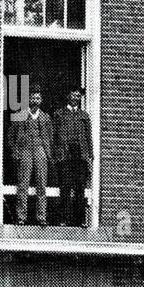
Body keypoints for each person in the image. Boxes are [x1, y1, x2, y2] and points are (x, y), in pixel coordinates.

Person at [10, 86, 54, 226]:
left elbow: (50, 137)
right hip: (25, 150)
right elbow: (10, 136)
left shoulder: (46, 117)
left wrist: (48, 153)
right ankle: (21, 217)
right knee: (23, 184)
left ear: (41, 100)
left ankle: (42, 217)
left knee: (42, 184)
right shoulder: (20, 114)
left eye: (38, 98)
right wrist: (15, 150)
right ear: (28, 99)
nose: (35, 100)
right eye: (33, 97)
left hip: (40, 150)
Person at [53, 86, 93, 227]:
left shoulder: (84, 116)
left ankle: (79, 220)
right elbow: (54, 137)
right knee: (65, 187)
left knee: (79, 188)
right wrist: (56, 155)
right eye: (73, 95)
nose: (76, 98)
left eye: (78, 96)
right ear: (68, 96)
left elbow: (88, 137)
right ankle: (63, 219)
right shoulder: (59, 114)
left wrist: (89, 155)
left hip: (80, 155)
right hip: (65, 155)